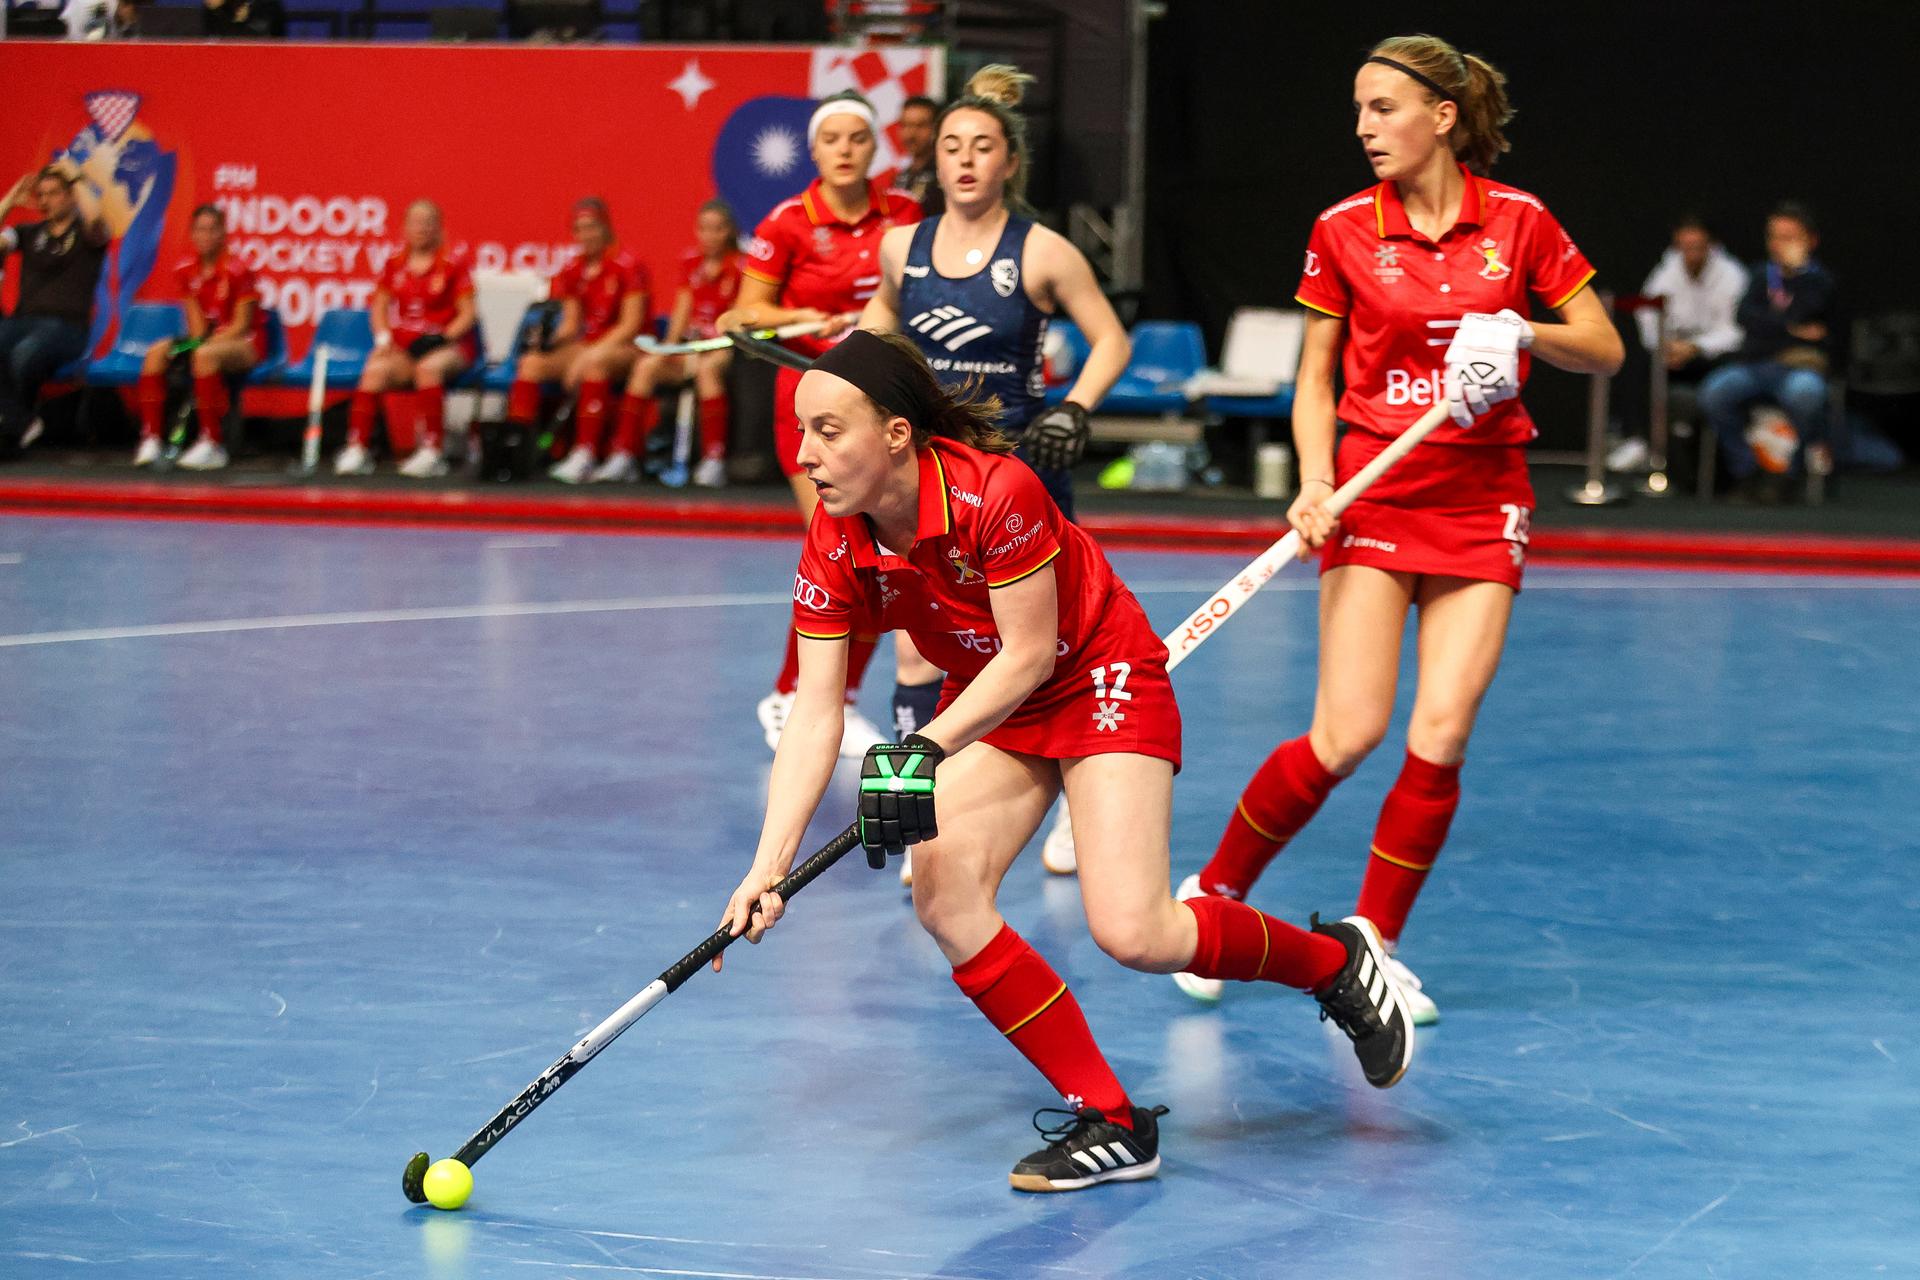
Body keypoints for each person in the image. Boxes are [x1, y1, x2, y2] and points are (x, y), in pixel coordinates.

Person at [714, 329, 1418, 1191]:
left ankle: (1335, 964)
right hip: (989, 692)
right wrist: (768, 865)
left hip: (1093, 671)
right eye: (801, 431)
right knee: (945, 896)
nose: (806, 454)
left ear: (896, 432)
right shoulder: (834, 536)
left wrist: (922, 751)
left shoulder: (993, 493)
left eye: (828, 430)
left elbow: (1028, 654)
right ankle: (1113, 1120)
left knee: (1136, 931)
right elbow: (819, 708)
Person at [1170, 35, 1623, 1021]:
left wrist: (1521, 332)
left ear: (1444, 115)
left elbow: (1604, 344)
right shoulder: (1341, 229)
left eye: (1384, 109)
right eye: (1361, 110)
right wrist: (1315, 477)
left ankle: (1372, 943)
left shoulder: (1521, 222)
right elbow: (1315, 373)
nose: (1366, 128)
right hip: (1374, 497)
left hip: (1481, 497)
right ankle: (1212, 893)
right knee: (1348, 730)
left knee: (1443, 728)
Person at [859, 64, 1131, 881]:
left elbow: (1111, 339)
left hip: (1017, 481)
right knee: (918, 652)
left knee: (1051, 653)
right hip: (926, 484)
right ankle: (922, 817)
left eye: (982, 147)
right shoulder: (901, 248)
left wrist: (1073, 410)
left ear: (1009, 160)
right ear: (933, 160)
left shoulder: (1042, 251)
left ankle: (1085, 809)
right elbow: (874, 341)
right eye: (951, 146)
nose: (966, 160)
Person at [714, 90, 921, 757]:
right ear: (815, 149)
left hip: (888, 403)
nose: (843, 150)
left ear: (872, 148)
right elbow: (739, 316)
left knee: (884, 560)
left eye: (856, 138)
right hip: (812, 405)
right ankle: (792, 694)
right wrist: (807, 321)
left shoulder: (906, 215)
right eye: (830, 139)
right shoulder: (786, 223)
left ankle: (830, 699)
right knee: (848, 551)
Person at [584, 200, 744, 486]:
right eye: (704, 229)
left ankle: (714, 460)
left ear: (730, 231)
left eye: (718, 229)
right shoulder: (690, 263)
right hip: (691, 346)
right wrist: (669, 347)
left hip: (726, 348)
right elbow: (682, 312)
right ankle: (624, 455)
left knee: (708, 370)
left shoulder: (743, 266)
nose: (710, 236)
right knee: (647, 365)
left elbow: (742, 317)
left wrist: (715, 343)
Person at [1696, 202, 1839, 500]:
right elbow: (1744, 317)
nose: (1779, 245)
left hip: (1800, 368)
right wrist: (1791, 331)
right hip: (1755, 364)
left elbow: (1809, 311)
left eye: (1789, 237)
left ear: (1810, 241)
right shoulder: (1760, 274)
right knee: (1715, 392)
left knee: (1806, 394)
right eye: (1774, 236)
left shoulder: (1819, 279)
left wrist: (1796, 277)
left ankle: (1788, 474)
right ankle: (1747, 470)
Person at [508, 198, 649, 485]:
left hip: (628, 347)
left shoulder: (628, 265)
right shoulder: (573, 269)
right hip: (588, 345)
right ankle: (517, 449)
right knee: (531, 364)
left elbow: (630, 325)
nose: (587, 236)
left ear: (605, 227)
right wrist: (546, 340)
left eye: (592, 228)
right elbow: (572, 324)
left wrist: (589, 354)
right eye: (580, 229)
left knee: (594, 365)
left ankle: (584, 454)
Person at [334, 200, 478, 478]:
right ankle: (358, 449)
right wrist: (384, 340)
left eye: (427, 222)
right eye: (415, 222)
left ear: (438, 227)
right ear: (404, 228)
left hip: (449, 346)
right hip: (407, 346)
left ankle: (433, 452)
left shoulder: (452, 265)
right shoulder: (394, 264)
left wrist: (441, 337)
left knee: (428, 368)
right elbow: (379, 307)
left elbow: (468, 314)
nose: (421, 228)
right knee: (374, 370)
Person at [1609, 216, 1747, 473]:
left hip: (1713, 356)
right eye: (1684, 246)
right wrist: (1665, 346)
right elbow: (1647, 315)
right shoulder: (1666, 271)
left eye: (1697, 246)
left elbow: (1734, 331)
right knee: (1640, 363)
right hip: (1673, 352)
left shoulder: (1732, 275)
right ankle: (1640, 440)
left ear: (1710, 245)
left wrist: (1696, 347)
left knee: (1731, 366)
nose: (1690, 253)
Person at [132, 203, 263, 470]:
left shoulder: (238, 270)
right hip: (209, 340)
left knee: (205, 354)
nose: (205, 236)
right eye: (200, 230)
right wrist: (193, 344)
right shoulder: (185, 270)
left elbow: (242, 325)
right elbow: (198, 329)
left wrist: (208, 343)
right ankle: (152, 439)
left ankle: (212, 443)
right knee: (157, 352)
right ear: (192, 234)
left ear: (223, 233)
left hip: (244, 344)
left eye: (212, 230)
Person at [0, 167, 109, 459]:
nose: (46, 201)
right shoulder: (28, 232)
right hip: (24, 321)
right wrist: (9, 201)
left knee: (25, 353)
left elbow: (97, 218)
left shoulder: (87, 235)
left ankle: (12, 432)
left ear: (71, 197)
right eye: (42, 195)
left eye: (54, 193)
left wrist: (76, 179)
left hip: (67, 328)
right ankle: (21, 423)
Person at [888, 94, 942, 215]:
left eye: (920, 126)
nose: (910, 134)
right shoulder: (901, 177)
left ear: (936, 128)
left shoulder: (944, 176)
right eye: (905, 125)